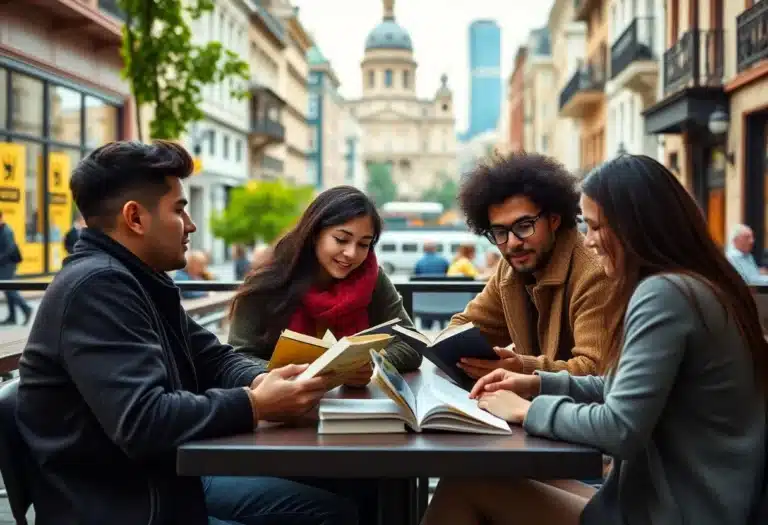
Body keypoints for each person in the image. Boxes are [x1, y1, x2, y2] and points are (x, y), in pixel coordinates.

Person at [16, 141, 357, 525]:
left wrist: (265, 379)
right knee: (333, 515)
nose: (191, 225)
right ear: (135, 218)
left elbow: (211, 356)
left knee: (337, 503)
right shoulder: (98, 287)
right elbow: (145, 420)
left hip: (162, 485)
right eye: (179, 209)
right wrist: (257, 404)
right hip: (129, 505)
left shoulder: (136, 278)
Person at [421, 154, 767, 525]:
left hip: (674, 512)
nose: (588, 241)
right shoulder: (700, 286)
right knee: (482, 478)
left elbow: (620, 428)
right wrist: (537, 382)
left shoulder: (664, 294)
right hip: (671, 499)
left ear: (638, 229)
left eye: (597, 228)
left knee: (464, 487)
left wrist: (524, 408)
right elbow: (623, 389)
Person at [228, 185, 422, 525]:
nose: (352, 254)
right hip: (284, 425)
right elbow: (236, 359)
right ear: (314, 232)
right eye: (341, 239)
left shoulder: (372, 279)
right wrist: (287, 377)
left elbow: (412, 342)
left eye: (364, 244)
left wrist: (373, 364)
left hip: (356, 423)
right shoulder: (268, 282)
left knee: (382, 486)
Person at [448, 152, 615, 379]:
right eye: (500, 232)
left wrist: (521, 368)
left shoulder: (594, 273)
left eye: (524, 225)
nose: (513, 243)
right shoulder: (509, 270)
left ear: (554, 219)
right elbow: (463, 328)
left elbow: (595, 370)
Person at [0, 210, 32, 325]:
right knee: (8, 289)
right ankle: (12, 317)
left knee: (10, 289)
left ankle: (26, 308)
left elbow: (9, 250)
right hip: (4, 265)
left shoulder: (6, 231)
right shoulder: (2, 230)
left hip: (8, 265)